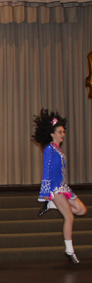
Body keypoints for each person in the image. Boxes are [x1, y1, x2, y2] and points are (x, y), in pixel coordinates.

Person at [33, 109, 87, 264]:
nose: (63, 134)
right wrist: (45, 192)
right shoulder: (50, 149)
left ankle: (52, 205)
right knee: (69, 216)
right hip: (55, 188)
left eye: (63, 132)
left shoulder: (58, 150)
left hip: (63, 187)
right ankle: (70, 251)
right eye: (60, 132)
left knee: (82, 210)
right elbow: (47, 171)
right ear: (52, 133)